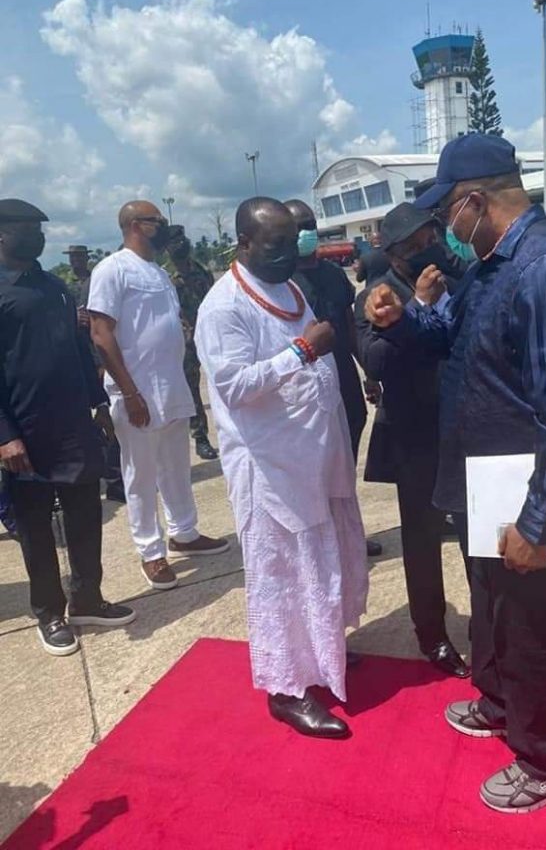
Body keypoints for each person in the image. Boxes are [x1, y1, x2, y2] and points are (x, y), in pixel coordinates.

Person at [364, 134, 546, 813]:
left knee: (534, 627)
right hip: (487, 486)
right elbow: (446, 339)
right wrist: (400, 320)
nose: (442, 226)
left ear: (474, 201)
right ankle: (503, 702)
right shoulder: (489, 265)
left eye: (445, 210)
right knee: (496, 611)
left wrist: (540, 522)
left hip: (529, 488)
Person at [195, 197, 368, 739]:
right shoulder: (223, 307)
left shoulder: (289, 286)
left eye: (293, 243)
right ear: (244, 244)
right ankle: (287, 688)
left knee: (320, 557)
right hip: (269, 467)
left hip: (312, 454)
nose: (289, 253)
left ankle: (321, 649)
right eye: (277, 245)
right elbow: (235, 387)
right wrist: (302, 352)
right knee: (281, 573)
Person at [0, 199, 135, 655]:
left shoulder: (55, 287)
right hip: (26, 433)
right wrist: (5, 436)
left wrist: (99, 403)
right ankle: (49, 612)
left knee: (85, 517)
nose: (37, 236)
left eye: (39, 229)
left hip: (74, 425)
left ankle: (87, 597)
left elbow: (79, 351)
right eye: (27, 228)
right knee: (36, 529)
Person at [88, 201, 228, 591]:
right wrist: (129, 392)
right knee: (141, 474)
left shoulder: (159, 272)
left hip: (171, 385)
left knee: (176, 467)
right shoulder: (112, 269)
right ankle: (150, 551)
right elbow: (101, 333)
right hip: (137, 392)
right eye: (158, 221)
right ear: (136, 225)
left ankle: (184, 532)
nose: (164, 227)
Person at [355, 201, 469, 677]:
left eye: (431, 239)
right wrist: (417, 307)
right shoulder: (377, 296)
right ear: (394, 254)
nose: (428, 250)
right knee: (422, 542)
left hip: (466, 429)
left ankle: (490, 622)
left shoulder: (459, 283)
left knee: (477, 534)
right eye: (416, 246)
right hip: (416, 436)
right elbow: (375, 361)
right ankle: (432, 634)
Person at [284, 198, 382, 558]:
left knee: (345, 460)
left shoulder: (333, 275)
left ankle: (347, 533)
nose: (306, 233)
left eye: (310, 225)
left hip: (343, 378)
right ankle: (321, 542)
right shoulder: (282, 282)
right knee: (315, 465)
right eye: (298, 227)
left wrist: (368, 371)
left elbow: (349, 325)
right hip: (305, 387)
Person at [60, 246, 127, 505]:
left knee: (109, 420)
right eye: (72, 257)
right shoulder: (63, 286)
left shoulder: (96, 279)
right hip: (83, 360)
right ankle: (110, 477)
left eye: (79, 256)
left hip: (98, 358)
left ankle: (114, 478)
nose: (76, 260)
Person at [162, 225, 219, 461]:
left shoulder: (201, 271)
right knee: (191, 388)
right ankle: (201, 436)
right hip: (183, 343)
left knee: (220, 381)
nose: (181, 244)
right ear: (167, 248)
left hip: (209, 336)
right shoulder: (164, 277)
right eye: (174, 241)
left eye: (182, 239)